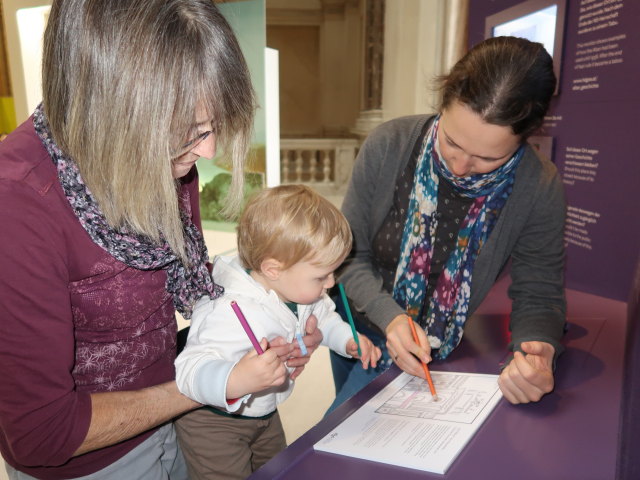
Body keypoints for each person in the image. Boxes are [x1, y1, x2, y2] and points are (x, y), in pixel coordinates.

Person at [0, 1, 321, 479]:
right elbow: (39, 434)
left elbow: (176, 299)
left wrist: (264, 325)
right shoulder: (17, 207)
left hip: (176, 423)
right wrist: (209, 385)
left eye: (210, 128)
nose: (208, 151)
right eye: (189, 133)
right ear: (109, 109)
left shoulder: (167, 160)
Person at [329, 36, 566, 412]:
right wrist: (390, 319)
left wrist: (539, 353)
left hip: (446, 346)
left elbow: (539, 295)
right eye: (452, 142)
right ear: (443, 103)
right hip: (357, 326)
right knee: (344, 419)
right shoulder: (389, 144)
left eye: (487, 158)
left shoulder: (539, 186)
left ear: (525, 138)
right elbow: (347, 256)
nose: (458, 167)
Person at [174, 184, 382, 479]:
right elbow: (188, 372)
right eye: (321, 275)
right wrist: (236, 380)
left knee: (278, 471)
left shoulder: (294, 287)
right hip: (213, 423)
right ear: (273, 269)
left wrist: (346, 340)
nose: (331, 283)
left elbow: (324, 317)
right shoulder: (226, 309)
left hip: (265, 412)